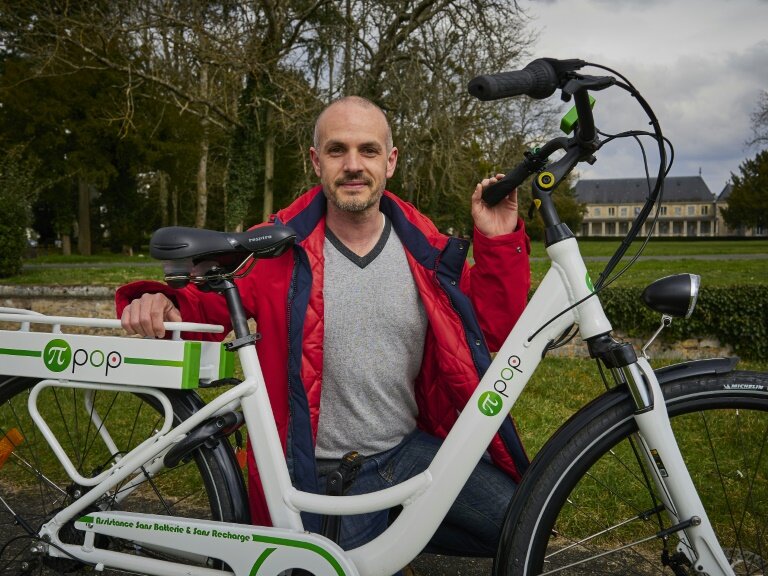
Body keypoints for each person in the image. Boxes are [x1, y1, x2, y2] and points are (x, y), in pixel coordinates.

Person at [117, 96, 531, 563]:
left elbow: (495, 329)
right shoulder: (275, 247)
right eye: (337, 150)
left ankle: (396, 524)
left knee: (525, 522)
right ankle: (377, 537)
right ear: (316, 161)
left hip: (407, 452)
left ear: (390, 162)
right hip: (324, 476)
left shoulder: (426, 250)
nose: (353, 165)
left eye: (368, 151)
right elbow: (205, 305)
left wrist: (496, 240)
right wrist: (162, 301)